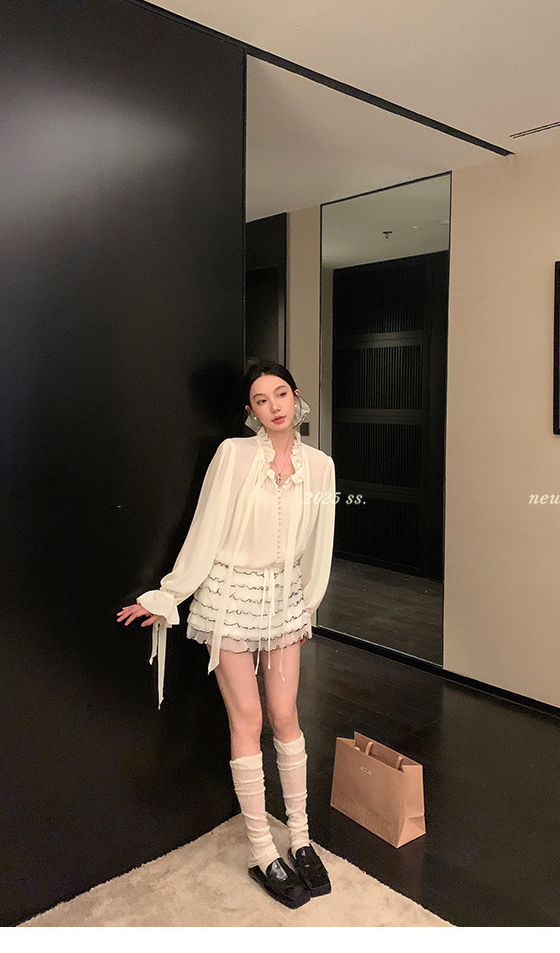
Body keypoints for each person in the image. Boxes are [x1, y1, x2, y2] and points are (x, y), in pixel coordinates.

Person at [117, 361, 337, 910]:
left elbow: (321, 542)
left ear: (296, 397)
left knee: (286, 716)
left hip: (284, 601)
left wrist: (305, 606)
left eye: (280, 394)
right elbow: (206, 527)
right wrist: (170, 593)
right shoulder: (233, 455)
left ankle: (301, 838)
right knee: (249, 721)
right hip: (230, 598)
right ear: (250, 411)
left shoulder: (321, 466)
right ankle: (263, 851)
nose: (274, 407)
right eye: (261, 400)